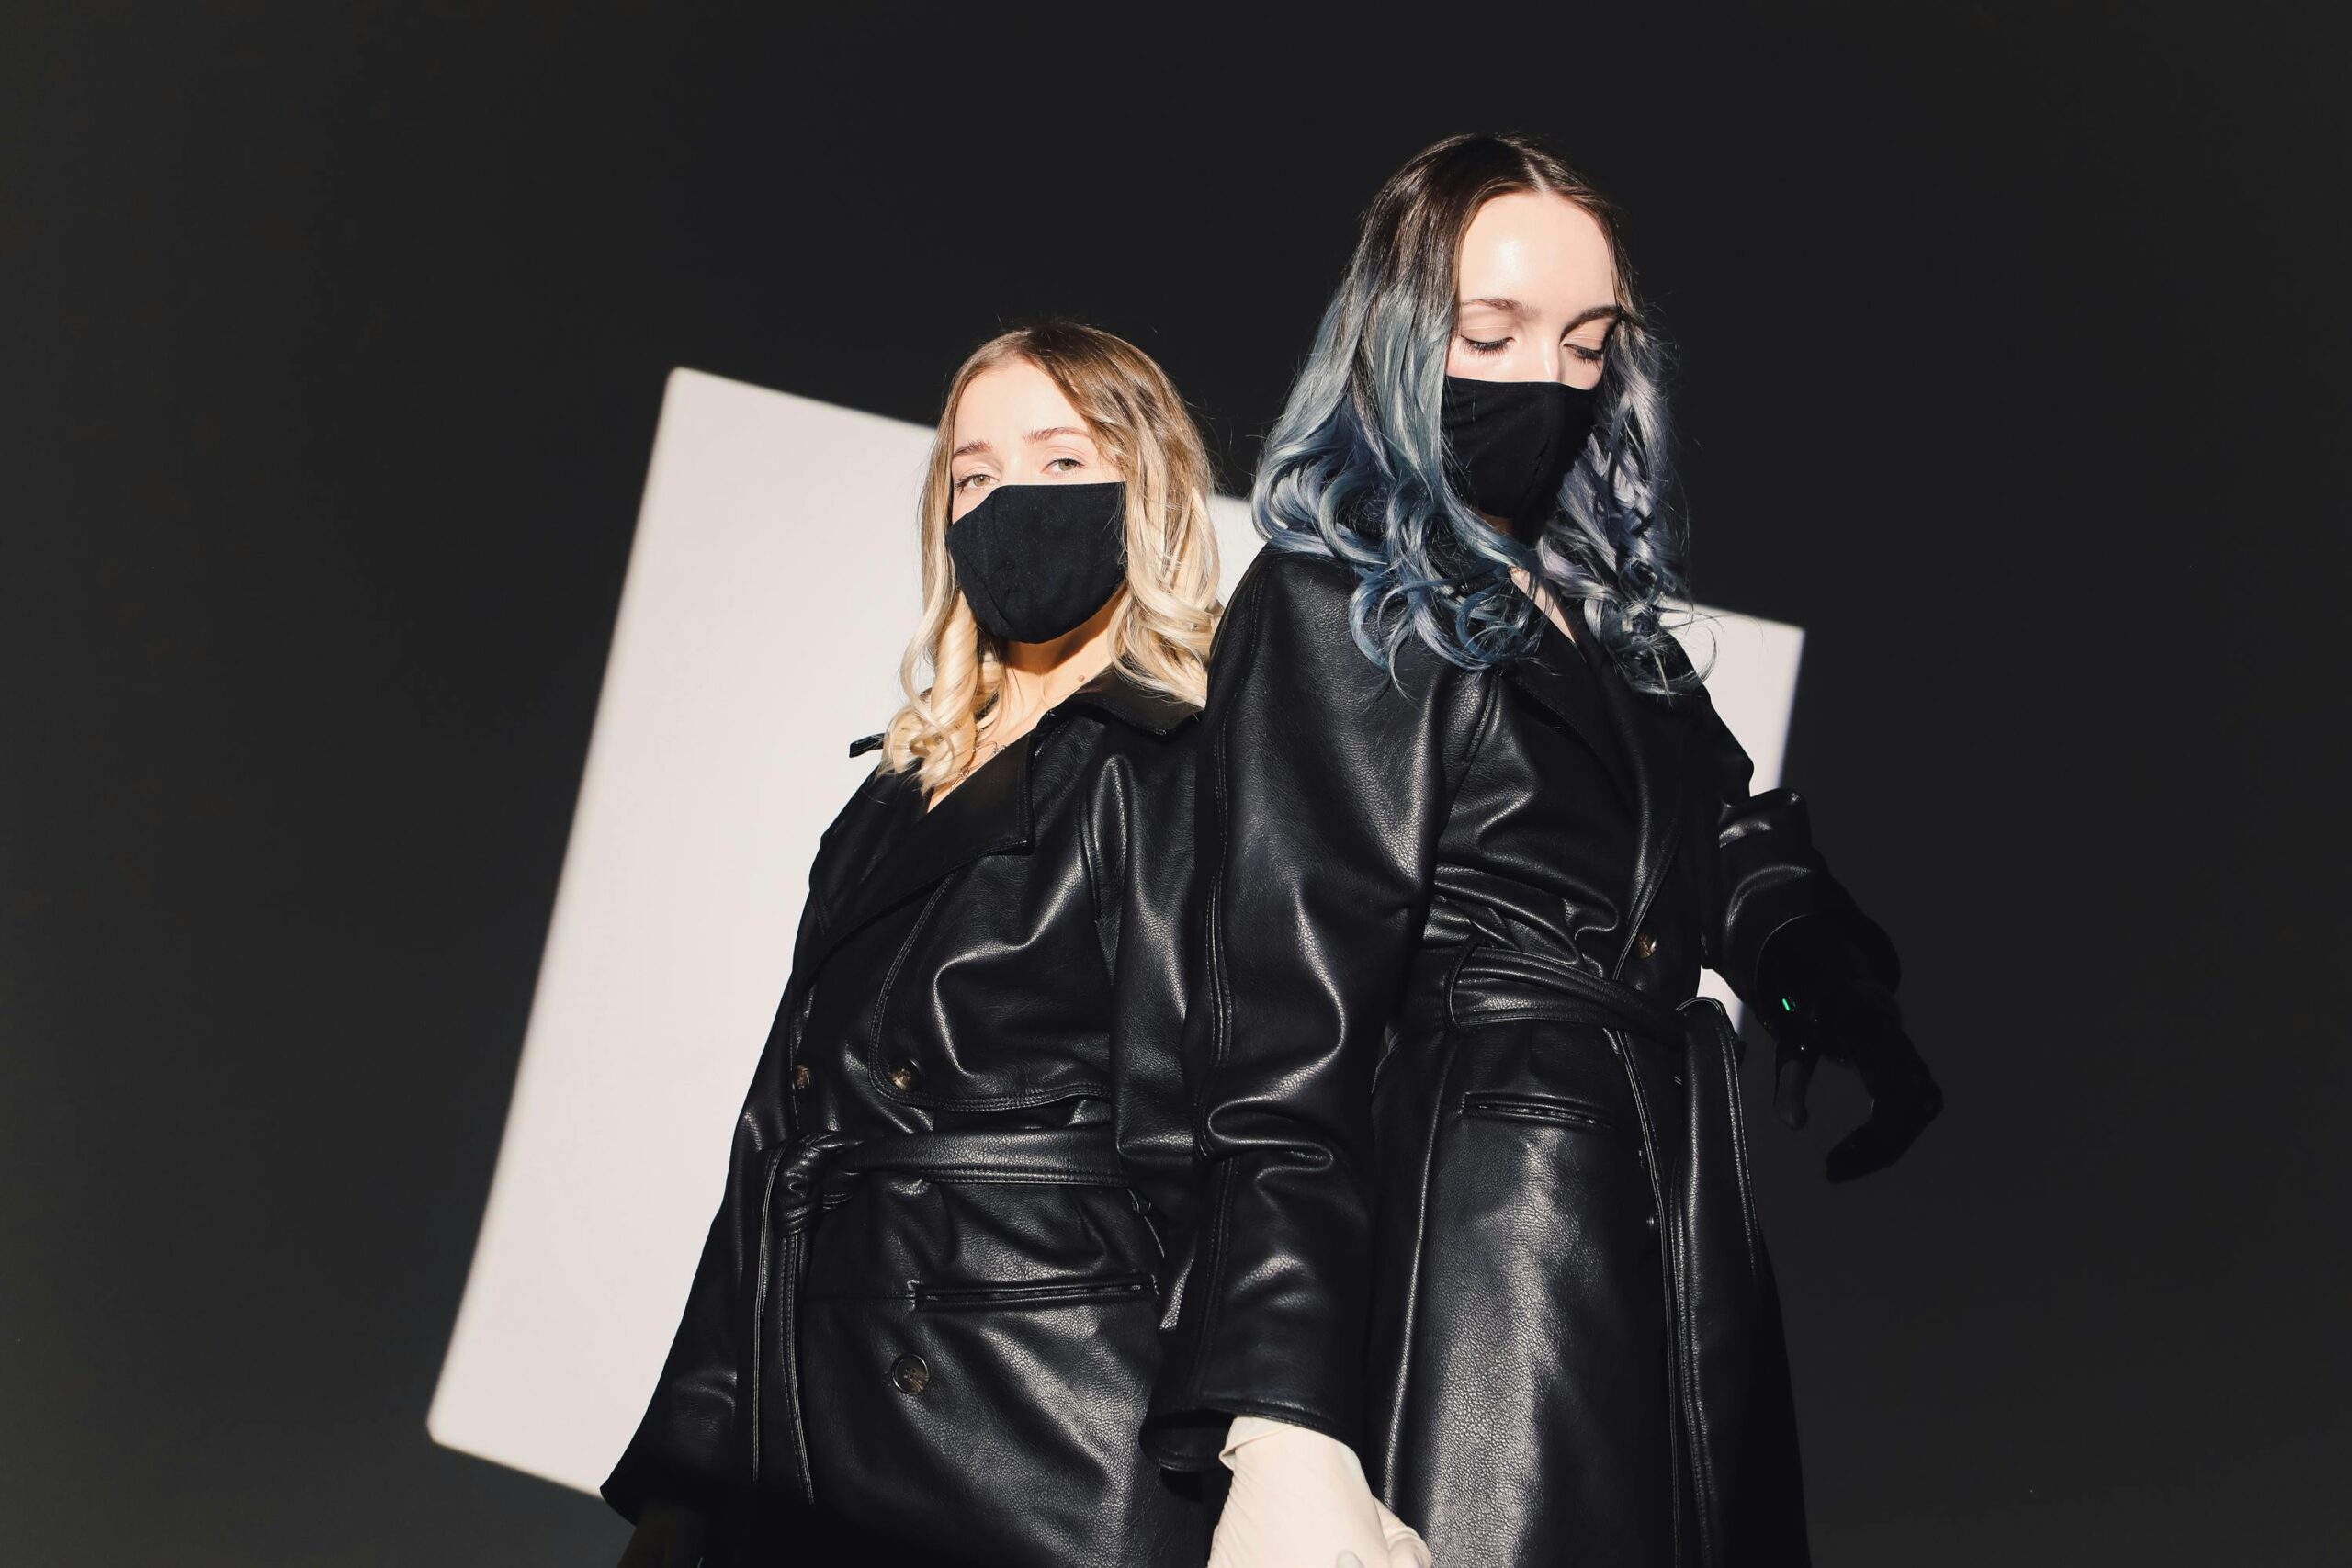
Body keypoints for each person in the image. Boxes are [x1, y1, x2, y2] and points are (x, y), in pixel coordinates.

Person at [1146, 134, 1944, 1567]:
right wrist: (1279, 1427)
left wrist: (1826, 984)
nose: (1547, 382)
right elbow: (1284, 1038)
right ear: (1398, 333)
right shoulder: (1341, 598)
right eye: (1492, 332)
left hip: (1671, 1242)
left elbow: (1724, 840)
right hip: (1484, 1265)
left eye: (1586, 345)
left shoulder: (1614, 635)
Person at [605, 322, 1225, 1566]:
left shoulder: (1178, 770)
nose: (1012, 502)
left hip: (1050, 1436)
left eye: (1062, 461)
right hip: (809, 1430)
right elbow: (771, 1146)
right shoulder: (887, 800)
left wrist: (1258, 1459)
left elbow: (1217, 1157)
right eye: (975, 475)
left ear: (1146, 487)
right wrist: (688, 1477)